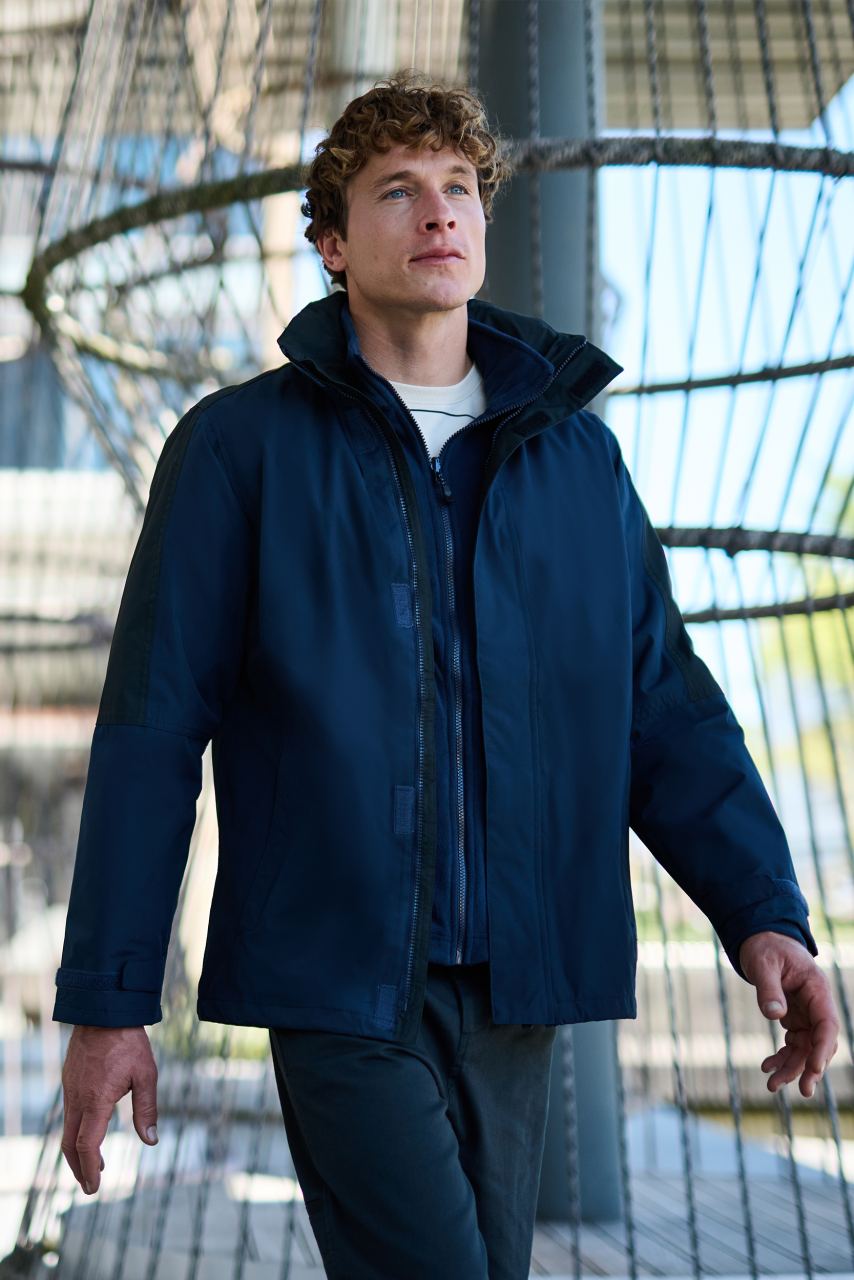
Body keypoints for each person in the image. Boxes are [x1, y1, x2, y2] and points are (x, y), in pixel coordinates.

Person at [56, 75, 838, 1280]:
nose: (439, 212)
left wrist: (762, 913)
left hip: (521, 977)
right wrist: (110, 1000)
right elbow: (152, 728)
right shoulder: (238, 448)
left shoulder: (576, 462)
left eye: (459, 187)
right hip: (334, 971)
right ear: (331, 243)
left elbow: (659, 707)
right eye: (397, 191)